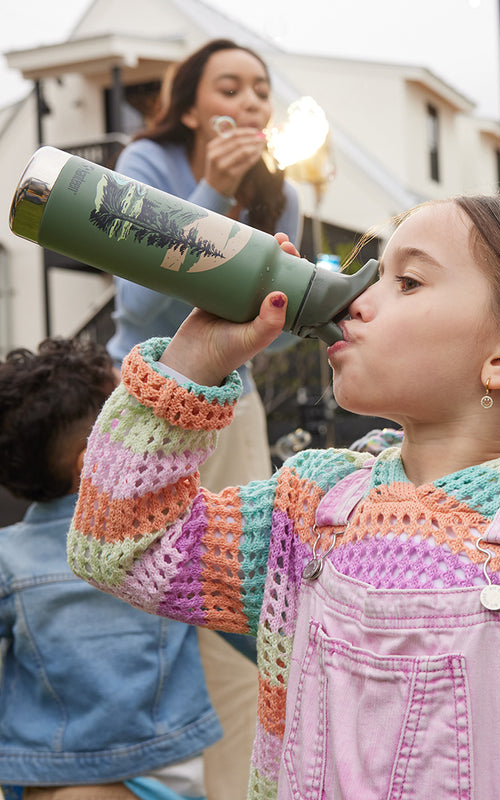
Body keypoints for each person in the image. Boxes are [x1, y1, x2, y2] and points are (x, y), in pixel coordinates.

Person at [67, 193, 500, 800]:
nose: (356, 301)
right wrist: (194, 362)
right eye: (368, 277)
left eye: (408, 281)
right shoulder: (309, 508)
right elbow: (122, 544)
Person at [107, 38, 301, 800]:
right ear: (188, 106)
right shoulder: (145, 170)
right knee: (132, 586)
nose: (251, 102)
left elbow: (266, 309)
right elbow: (139, 308)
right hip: (152, 398)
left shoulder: (272, 187)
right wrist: (206, 198)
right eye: (230, 88)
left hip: (233, 400)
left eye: (260, 89)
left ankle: (238, 785)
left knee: (231, 597)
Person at [0, 337, 222, 800]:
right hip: (164, 765)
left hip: (51, 766)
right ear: (90, 465)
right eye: (132, 422)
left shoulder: (8, 558)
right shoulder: (169, 538)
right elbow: (247, 617)